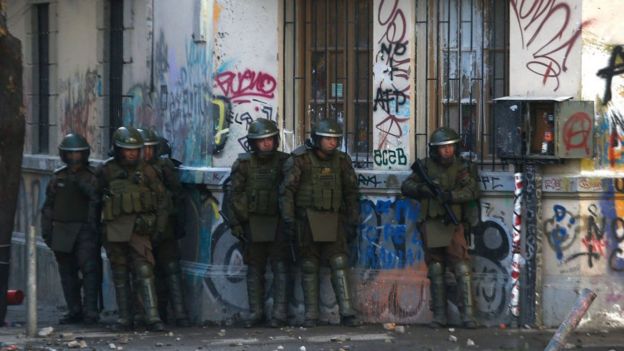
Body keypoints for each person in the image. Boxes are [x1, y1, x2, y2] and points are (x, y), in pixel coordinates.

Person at [279, 119, 360, 327]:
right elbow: (287, 192)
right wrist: (288, 220)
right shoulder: (300, 160)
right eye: (328, 139)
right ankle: (311, 315)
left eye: (335, 139)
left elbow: (351, 193)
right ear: (317, 139)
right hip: (306, 220)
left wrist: (352, 220)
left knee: (339, 263)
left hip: (334, 219)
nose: (333, 143)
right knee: (309, 265)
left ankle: (347, 311)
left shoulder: (342, 161)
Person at [400, 127, 480, 328]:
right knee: (435, 269)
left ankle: (468, 316)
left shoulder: (462, 167)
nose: (447, 151)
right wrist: (424, 190)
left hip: (453, 225)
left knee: (461, 267)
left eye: (450, 146)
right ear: (435, 150)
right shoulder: (425, 168)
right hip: (431, 223)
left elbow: (472, 190)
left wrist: (451, 196)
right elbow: (406, 187)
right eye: (443, 147)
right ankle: (439, 316)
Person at [97, 126, 167, 331]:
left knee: (144, 270)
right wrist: (98, 231)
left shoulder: (147, 171)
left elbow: (162, 202)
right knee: (119, 273)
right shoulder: (107, 171)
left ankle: (152, 316)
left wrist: (158, 229)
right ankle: (125, 317)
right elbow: (95, 201)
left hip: (140, 228)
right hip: (114, 228)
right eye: (127, 149)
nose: (131, 153)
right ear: (118, 150)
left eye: (135, 149)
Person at [227, 118, 290, 328]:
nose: (266, 144)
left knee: (281, 267)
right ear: (254, 143)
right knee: (254, 269)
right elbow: (234, 194)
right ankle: (256, 312)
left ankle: (280, 313)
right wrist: (238, 223)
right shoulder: (244, 165)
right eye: (262, 140)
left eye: (270, 139)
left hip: (277, 222)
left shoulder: (284, 162)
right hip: (253, 223)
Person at [41, 133, 101, 325]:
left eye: (78, 155)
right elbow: (48, 206)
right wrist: (47, 231)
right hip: (63, 229)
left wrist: (94, 229)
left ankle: (91, 311)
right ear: (64, 155)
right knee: (67, 273)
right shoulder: (57, 178)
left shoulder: (92, 177)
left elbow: (97, 200)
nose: (74, 159)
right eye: (70, 155)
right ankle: (74, 309)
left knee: (90, 269)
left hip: (85, 229)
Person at [137, 128, 190, 327]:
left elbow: (177, 196)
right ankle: (150, 314)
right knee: (146, 272)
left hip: (165, 226)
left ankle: (180, 313)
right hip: (142, 228)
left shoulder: (164, 166)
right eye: (142, 149)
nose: (146, 153)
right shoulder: (131, 169)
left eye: (149, 149)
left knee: (171, 269)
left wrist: (177, 224)